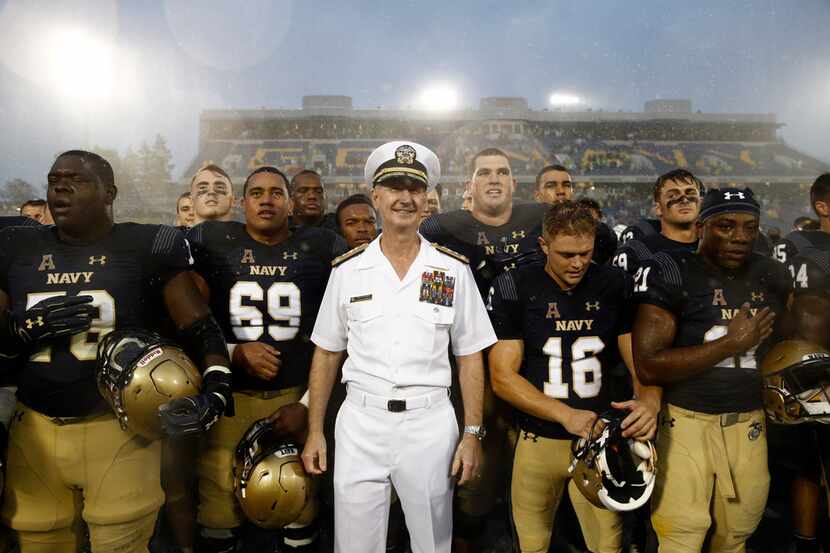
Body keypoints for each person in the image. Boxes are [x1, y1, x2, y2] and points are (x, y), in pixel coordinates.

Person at [0, 150, 233, 553]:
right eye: (55, 178)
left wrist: (216, 391)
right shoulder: (15, 247)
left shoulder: (145, 244)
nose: (61, 186)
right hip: (34, 426)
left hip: (118, 428)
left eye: (77, 179)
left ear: (109, 193)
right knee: (38, 540)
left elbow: (200, 328)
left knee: (122, 539)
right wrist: (21, 332)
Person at [302, 141, 495, 553]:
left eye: (414, 188)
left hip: (430, 425)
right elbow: (327, 354)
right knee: (355, 546)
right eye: (394, 187)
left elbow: (470, 357)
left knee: (431, 544)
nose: (405, 198)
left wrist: (472, 432)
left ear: (426, 199)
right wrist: (315, 429)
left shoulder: (452, 270)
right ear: (376, 196)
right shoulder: (349, 271)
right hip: (359, 423)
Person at [188, 166, 347, 552]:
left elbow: (344, 334)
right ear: (242, 203)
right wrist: (233, 352)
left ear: (291, 203)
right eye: (257, 193)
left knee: (296, 501)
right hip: (230, 398)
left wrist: (308, 409)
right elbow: (185, 320)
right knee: (219, 505)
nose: (267, 200)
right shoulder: (212, 241)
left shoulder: (323, 246)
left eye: (277, 193)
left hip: (294, 393)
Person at [488, 201, 659, 553]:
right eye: (567, 254)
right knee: (532, 542)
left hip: (599, 438)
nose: (578, 263)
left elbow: (640, 361)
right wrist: (565, 415)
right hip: (539, 438)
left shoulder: (613, 283)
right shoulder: (516, 284)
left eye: (585, 252)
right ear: (543, 245)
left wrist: (648, 400)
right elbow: (502, 377)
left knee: (606, 544)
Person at [632, 187, 791, 553]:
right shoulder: (670, 269)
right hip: (687, 419)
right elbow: (649, 364)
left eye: (750, 227)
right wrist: (728, 345)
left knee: (738, 532)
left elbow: (783, 349)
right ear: (702, 226)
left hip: (749, 421)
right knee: (680, 533)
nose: (740, 237)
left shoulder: (773, 275)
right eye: (726, 225)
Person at [420, 148, 546, 552]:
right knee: (476, 463)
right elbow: (432, 299)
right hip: (470, 361)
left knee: (534, 455)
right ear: (469, 186)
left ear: (514, 183)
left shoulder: (540, 218)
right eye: (484, 172)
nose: (494, 179)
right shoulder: (441, 228)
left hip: (537, 358)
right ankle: (469, 534)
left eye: (503, 172)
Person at [770, 173, 830, 553]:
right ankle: (804, 543)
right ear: (822, 207)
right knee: (809, 464)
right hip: (812, 366)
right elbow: (782, 304)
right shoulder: (799, 245)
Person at [611, 169, 703, 277]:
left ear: (701, 202)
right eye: (673, 195)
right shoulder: (635, 252)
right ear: (658, 209)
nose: (684, 200)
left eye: (690, 193)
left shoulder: (717, 247)